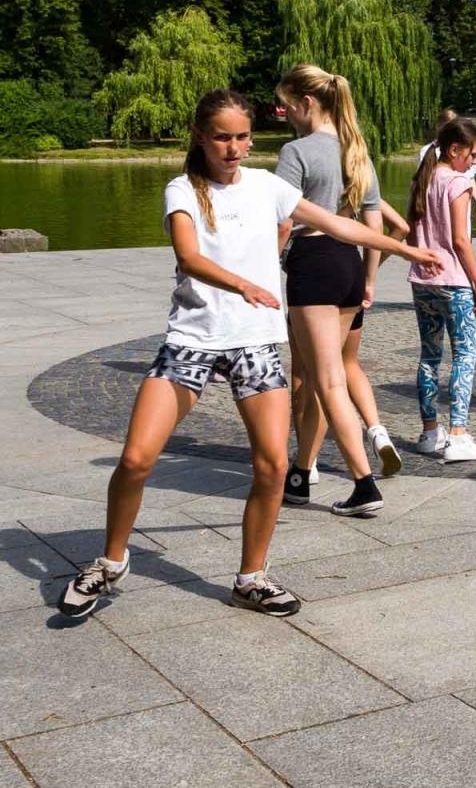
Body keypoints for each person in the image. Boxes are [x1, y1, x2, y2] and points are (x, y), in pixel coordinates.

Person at [56, 90, 442, 620]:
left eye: (242, 137)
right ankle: (111, 561)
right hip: (192, 339)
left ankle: (251, 577)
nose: (235, 148)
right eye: (222, 137)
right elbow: (189, 257)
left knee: (273, 465)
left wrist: (404, 247)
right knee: (136, 457)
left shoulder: (268, 186)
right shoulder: (183, 189)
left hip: (255, 344)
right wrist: (242, 284)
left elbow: (336, 224)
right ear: (200, 137)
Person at [276, 64, 395, 517]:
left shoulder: (296, 151)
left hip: (314, 263)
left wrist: (269, 266)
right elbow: (374, 220)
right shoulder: (356, 151)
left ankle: (364, 484)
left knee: (326, 380)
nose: (286, 116)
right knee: (320, 371)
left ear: (306, 103)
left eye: (287, 107)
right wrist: (369, 278)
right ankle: (301, 475)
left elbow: (285, 218)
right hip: (349, 263)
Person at [287, 197, 410, 487]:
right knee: (348, 363)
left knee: (309, 374)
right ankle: (377, 431)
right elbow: (399, 227)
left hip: (315, 276)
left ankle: (307, 461)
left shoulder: (312, 186)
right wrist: (369, 275)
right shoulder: (357, 175)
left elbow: (283, 225)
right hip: (351, 271)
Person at [408, 117, 476, 462]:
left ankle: (430, 432)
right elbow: (460, 239)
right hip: (454, 281)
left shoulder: (422, 179)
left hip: (423, 279)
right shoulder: (456, 183)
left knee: (429, 356)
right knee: (464, 355)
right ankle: (458, 434)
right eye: (472, 155)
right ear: (455, 150)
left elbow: (411, 233)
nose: (474, 163)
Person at [419, 108, 476, 223]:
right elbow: (460, 240)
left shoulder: (465, 153)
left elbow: (471, 177)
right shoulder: (429, 152)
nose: (475, 161)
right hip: (441, 208)